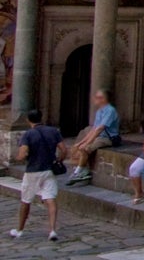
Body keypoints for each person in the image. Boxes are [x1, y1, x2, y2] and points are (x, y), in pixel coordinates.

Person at [10, 108, 63, 241]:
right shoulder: (53, 131)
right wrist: (59, 160)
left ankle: (20, 230)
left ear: (28, 120)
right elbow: (64, 149)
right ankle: (52, 230)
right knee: (50, 199)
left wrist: (17, 157)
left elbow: (23, 154)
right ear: (41, 118)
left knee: (26, 200)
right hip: (48, 169)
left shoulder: (28, 135)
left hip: (33, 171)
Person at [64, 88, 120, 186]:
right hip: (99, 137)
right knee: (79, 147)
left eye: (98, 97)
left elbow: (100, 128)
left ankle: (79, 172)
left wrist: (87, 143)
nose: (95, 99)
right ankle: (83, 169)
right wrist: (81, 142)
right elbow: (94, 129)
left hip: (107, 138)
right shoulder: (99, 111)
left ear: (104, 99)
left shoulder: (110, 110)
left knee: (86, 148)